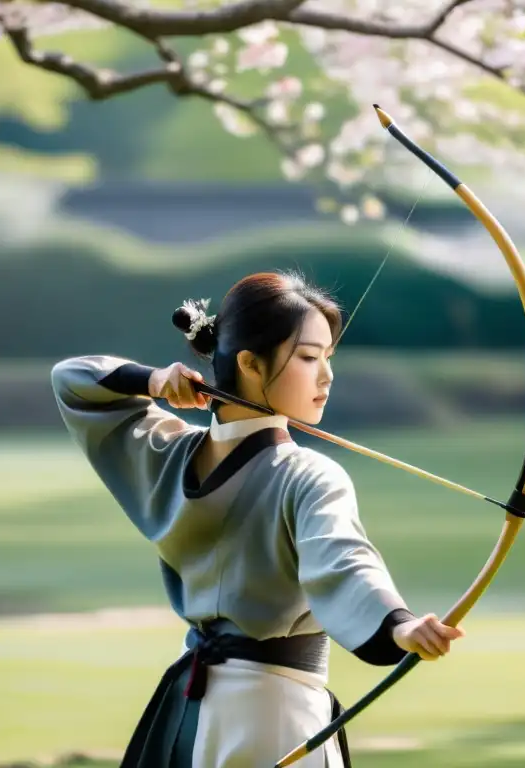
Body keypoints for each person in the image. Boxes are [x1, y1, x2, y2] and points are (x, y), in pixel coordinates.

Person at [50, 271, 464, 767]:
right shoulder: (307, 474)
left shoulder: (164, 454)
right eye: (310, 358)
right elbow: (345, 563)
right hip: (277, 716)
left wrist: (151, 382)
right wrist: (397, 625)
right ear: (249, 362)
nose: (326, 377)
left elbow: (73, 380)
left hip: (196, 713)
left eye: (328, 358)